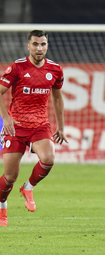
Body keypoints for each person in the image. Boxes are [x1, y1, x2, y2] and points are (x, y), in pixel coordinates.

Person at [0, 30, 68, 226]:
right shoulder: (17, 67)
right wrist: (6, 118)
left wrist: (61, 127)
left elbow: (57, 98)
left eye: (43, 44)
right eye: (36, 44)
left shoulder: (55, 70)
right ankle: (2, 206)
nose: (39, 48)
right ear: (28, 46)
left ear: (47, 46)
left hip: (40, 125)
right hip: (16, 127)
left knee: (48, 159)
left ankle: (28, 187)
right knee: (10, 177)